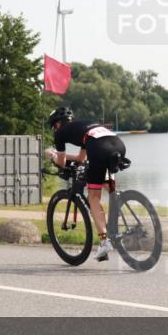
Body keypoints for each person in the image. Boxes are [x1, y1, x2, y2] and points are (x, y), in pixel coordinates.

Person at [44, 106, 127, 261]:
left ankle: (104, 241)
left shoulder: (60, 133)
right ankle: (117, 222)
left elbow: (62, 163)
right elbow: (81, 158)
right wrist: (64, 156)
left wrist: (52, 156)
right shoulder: (85, 125)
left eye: (54, 126)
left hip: (98, 148)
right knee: (109, 186)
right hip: (118, 145)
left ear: (56, 124)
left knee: (93, 197)